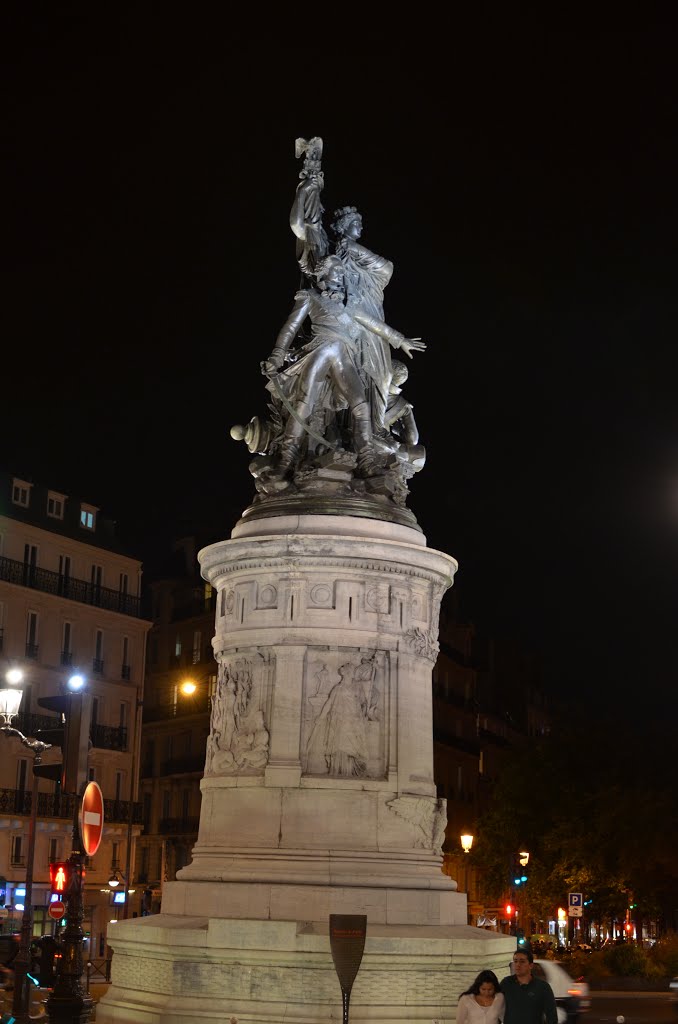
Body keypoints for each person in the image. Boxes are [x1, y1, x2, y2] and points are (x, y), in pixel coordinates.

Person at [262, 255, 424, 478]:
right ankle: (286, 459)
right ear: (323, 274)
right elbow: (290, 328)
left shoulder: (351, 304)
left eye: (341, 270)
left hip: (343, 357)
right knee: (303, 405)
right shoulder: (310, 297)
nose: (341, 274)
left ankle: (367, 460)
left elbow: (374, 324)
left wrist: (400, 339)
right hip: (319, 351)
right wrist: (277, 355)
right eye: (336, 269)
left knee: (361, 405)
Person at [500, 949, 557, 1024]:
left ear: (531, 965)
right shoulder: (506, 983)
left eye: (522, 961)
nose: (518, 964)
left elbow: (551, 1016)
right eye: (515, 961)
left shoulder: (543, 987)